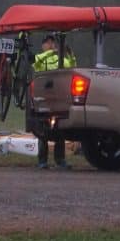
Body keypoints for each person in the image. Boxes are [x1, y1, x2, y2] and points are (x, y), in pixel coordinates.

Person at [31, 34, 74, 169]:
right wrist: (50, 52)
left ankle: (60, 160)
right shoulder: (41, 58)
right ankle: (42, 161)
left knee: (60, 131)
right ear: (43, 46)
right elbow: (35, 64)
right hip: (44, 99)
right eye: (47, 43)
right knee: (43, 132)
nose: (50, 44)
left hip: (59, 99)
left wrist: (70, 54)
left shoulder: (60, 59)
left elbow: (72, 67)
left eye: (52, 42)